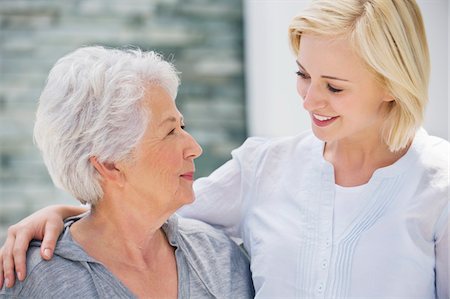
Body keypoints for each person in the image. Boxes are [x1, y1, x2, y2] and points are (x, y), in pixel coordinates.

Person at [1, 0, 448, 298]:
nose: (310, 100)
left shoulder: (439, 187)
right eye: (302, 74)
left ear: (392, 85)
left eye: (333, 86)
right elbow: (138, 212)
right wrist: (66, 214)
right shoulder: (264, 168)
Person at [0, 46, 254, 298]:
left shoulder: (219, 258)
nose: (194, 148)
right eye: (170, 132)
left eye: (182, 126)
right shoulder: (39, 281)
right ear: (110, 164)